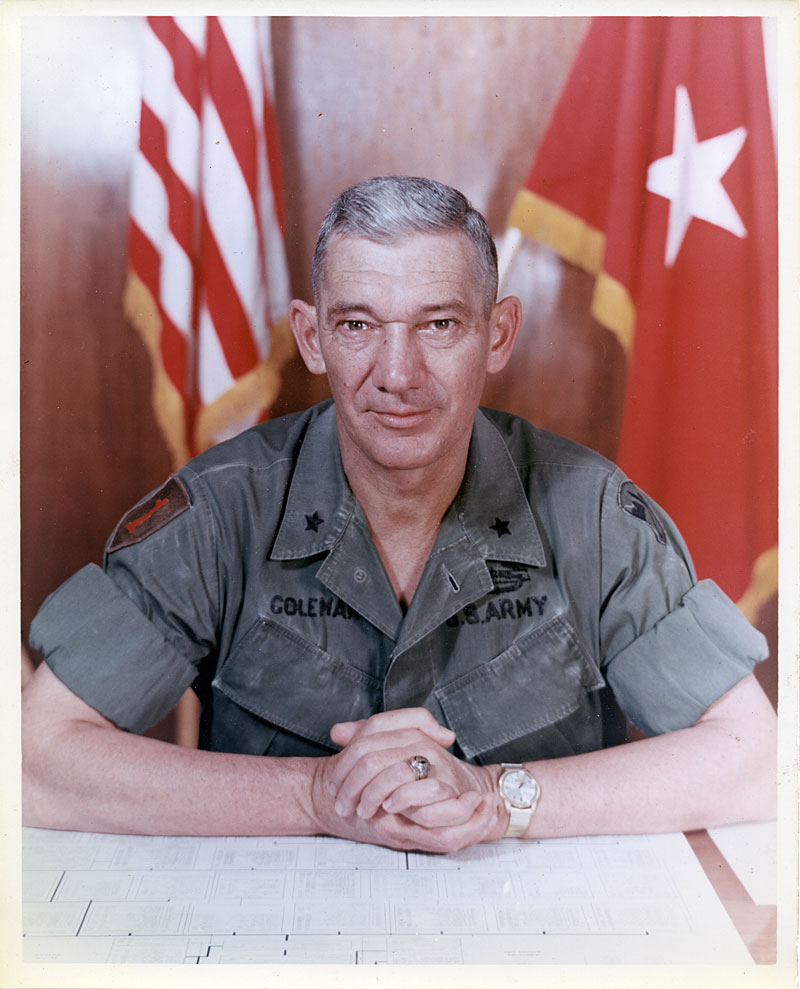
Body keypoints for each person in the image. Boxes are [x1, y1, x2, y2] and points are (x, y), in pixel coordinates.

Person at [22, 176, 776, 853]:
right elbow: (34, 760)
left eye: (438, 325)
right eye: (357, 326)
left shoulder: (595, 514)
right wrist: (316, 796)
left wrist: (495, 800)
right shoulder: (221, 511)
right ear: (312, 337)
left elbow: (754, 758)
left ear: (498, 334)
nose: (397, 374)